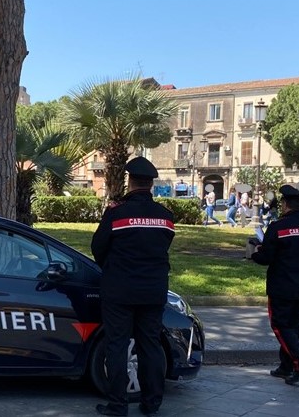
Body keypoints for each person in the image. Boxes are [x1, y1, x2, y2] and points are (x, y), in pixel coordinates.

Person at [91, 156, 175, 416]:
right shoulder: (165, 216)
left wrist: (113, 267)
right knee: (149, 345)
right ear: (151, 185)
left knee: (117, 345)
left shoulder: (116, 214)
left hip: (120, 291)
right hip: (153, 291)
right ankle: (151, 403)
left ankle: (118, 405)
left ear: (129, 181)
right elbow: (164, 246)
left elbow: (98, 248)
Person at [251, 184, 299, 385]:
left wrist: (256, 251)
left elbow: (265, 257)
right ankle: (287, 366)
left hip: (282, 286)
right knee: (293, 327)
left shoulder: (278, 227)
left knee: (281, 326)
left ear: (285, 204)